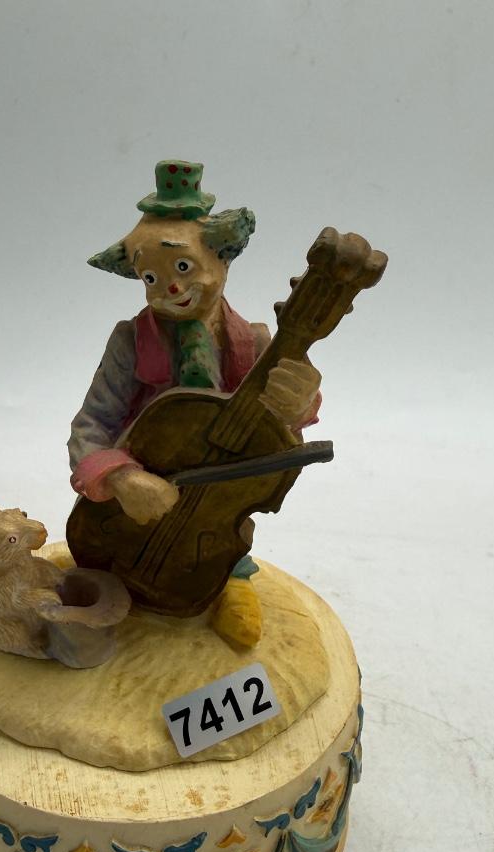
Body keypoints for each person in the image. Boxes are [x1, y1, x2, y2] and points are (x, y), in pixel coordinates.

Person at [68, 160, 322, 648]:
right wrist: (121, 478)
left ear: (222, 260)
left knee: (223, 535)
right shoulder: (129, 341)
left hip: (215, 513)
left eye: (183, 267)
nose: (170, 289)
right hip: (136, 510)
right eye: (150, 277)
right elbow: (90, 427)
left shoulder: (254, 343)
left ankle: (231, 578)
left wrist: (299, 401)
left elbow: (279, 437)